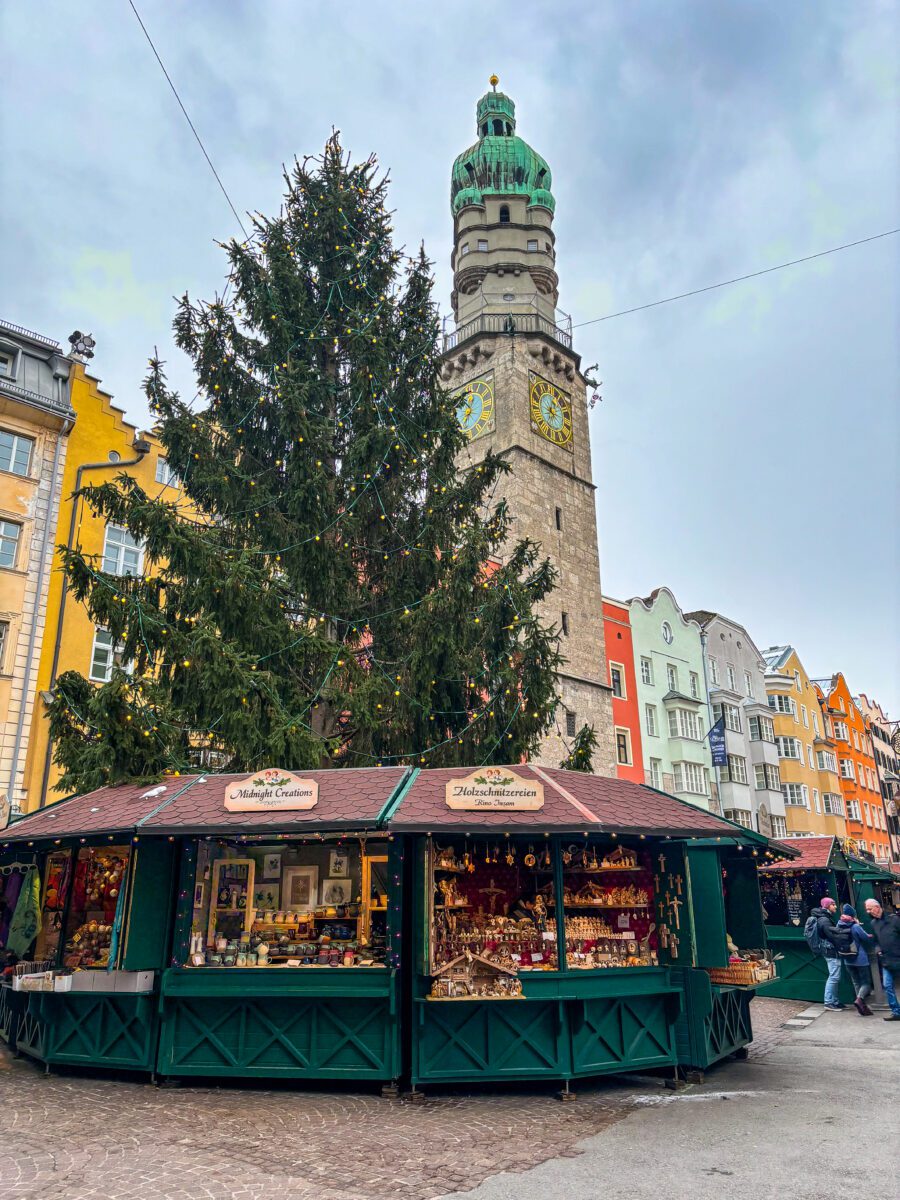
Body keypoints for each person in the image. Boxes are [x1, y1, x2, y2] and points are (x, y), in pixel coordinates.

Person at [834, 904, 875, 1016]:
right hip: (860, 959)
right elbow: (865, 938)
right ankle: (860, 999)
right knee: (866, 983)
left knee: (856, 982)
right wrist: (869, 935)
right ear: (853, 915)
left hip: (847, 959)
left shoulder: (839, 924)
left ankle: (861, 1006)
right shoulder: (855, 926)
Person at [863, 898, 900, 1021]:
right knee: (887, 985)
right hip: (886, 959)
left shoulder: (894, 919)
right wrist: (878, 950)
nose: (868, 911)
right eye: (867, 909)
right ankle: (896, 1012)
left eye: (869, 908)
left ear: (877, 907)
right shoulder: (873, 923)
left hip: (898, 957)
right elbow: (876, 941)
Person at [805, 897, 844, 1010]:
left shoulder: (823, 918)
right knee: (834, 976)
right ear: (827, 906)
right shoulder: (825, 920)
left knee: (835, 976)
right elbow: (832, 936)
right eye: (833, 904)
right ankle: (829, 1002)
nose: (835, 906)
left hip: (828, 950)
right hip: (830, 951)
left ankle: (835, 1001)